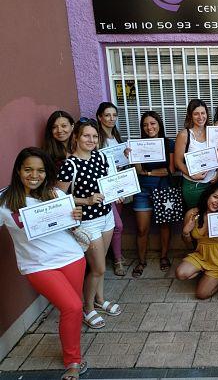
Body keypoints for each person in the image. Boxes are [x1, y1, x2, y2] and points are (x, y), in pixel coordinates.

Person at [0, 148, 86, 380]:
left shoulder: (55, 194)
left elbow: (69, 228)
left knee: (72, 309)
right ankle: (73, 362)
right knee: (73, 307)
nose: (34, 175)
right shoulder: (6, 202)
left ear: (47, 173)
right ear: (18, 171)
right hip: (38, 265)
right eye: (28, 169)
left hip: (72, 258)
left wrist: (75, 218)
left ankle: (73, 347)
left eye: (40, 170)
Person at [57, 119, 122, 329]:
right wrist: (85, 200)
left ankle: (100, 299)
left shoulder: (101, 157)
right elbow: (58, 197)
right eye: (86, 135)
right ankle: (87, 308)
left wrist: (118, 192)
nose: (91, 140)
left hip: (106, 216)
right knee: (98, 267)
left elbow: (110, 182)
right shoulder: (70, 165)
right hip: (87, 222)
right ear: (76, 137)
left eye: (94, 136)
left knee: (100, 264)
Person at [131, 111, 176, 277]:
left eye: (153, 123)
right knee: (142, 228)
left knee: (165, 225)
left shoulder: (169, 143)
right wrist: (132, 158)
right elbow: (138, 170)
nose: (149, 127)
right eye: (145, 124)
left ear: (159, 124)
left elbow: (170, 170)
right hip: (142, 190)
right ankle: (141, 261)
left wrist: (149, 173)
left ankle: (164, 256)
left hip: (164, 189)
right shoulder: (137, 145)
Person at [95, 102, 127, 277]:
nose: (111, 118)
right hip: (105, 187)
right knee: (117, 226)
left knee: (116, 223)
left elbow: (119, 163)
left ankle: (117, 253)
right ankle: (117, 260)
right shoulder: (97, 139)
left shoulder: (116, 136)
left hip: (119, 184)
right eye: (107, 115)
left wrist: (127, 155)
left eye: (114, 115)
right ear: (100, 117)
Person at [175, 99, 218, 210]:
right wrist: (191, 174)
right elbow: (178, 162)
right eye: (196, 114)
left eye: (203, 113)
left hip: (212, 185)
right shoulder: (184, 135)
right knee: (196, 219)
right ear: (190, 116)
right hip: (193, 186)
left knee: (211, 220)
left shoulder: (212, 132)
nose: (200, 117)